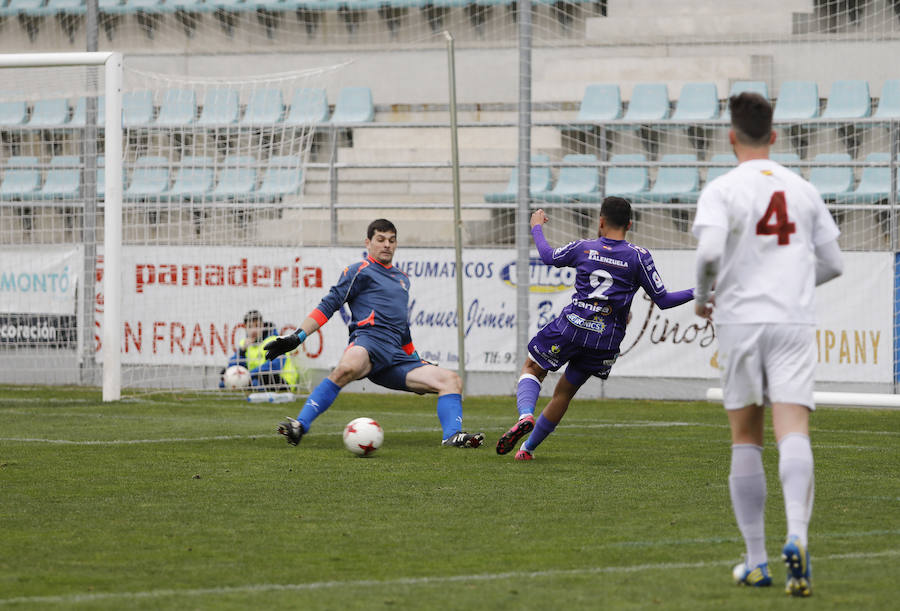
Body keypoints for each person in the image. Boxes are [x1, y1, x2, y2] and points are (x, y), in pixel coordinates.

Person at [692, 92, 843, 596]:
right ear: (774, 136)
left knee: (746, 435)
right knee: (793, 426)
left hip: (739, 320)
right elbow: (834, 263)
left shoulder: (722, 189)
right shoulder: (802, 188)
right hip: (792, 320)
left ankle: (757, 559)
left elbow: (711, 249)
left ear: (731, 137)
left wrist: (700, 296)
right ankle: (798, 535)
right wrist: (795, 283)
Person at [495, 197, 694, 460]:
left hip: (572, 327)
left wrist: (536, 226)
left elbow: (547, 255)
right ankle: (527, 449)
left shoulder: (583, 248)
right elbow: (664, 301)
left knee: (533, 368)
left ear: (600, 221)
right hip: (605, 340)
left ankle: (525, 415)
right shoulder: (638, 256)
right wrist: (697, 292)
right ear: (630, 224)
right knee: (564, 393)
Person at [264, 218, 484, 448]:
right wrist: (296, 337)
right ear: (368, 242)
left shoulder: (402, 279)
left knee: (451, 380)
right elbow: (328, 305)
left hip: (397, 358)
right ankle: (300, 426)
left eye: (391, 240)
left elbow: (402, 327)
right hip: (368, 344)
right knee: (346, 369)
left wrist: (416, 360)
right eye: (380, 239)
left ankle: (452, 436)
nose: (387, 245)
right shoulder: (358, 271)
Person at [219, 310, 300, 392]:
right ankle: (253, 386)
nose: (254, 330)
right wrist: (242, 351)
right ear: (245, 328)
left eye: (257, 326)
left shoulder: (274, 340)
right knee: (226, 373)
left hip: (283, 381)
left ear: (263, 326)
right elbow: (233, 365)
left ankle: (255, 386)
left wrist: (249, 375)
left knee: (263, 376)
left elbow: (275, 366)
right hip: (255, 377)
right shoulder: (244, 343)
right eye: (250, 327)